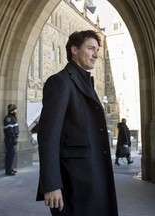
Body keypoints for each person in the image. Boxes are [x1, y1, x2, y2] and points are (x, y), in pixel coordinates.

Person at [36, 30, 118, 216]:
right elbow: (48, 136)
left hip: (94, 177)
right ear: (74, 49)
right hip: (74, 183)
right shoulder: (60, 82)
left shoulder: (86, 82)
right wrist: (51, 185)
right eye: (90, 48)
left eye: (97, 50)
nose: (96, 54)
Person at [3, 104, 19, 176]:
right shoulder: (9, 118)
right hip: (9, 140)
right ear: (12, 110)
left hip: (11, 139)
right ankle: (8, 170)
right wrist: (13, 138)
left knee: (11, 154)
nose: (16, 110)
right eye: (15, 109)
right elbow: (10, 130)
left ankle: (10, 168)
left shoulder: (12, 117)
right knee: (10, 155)